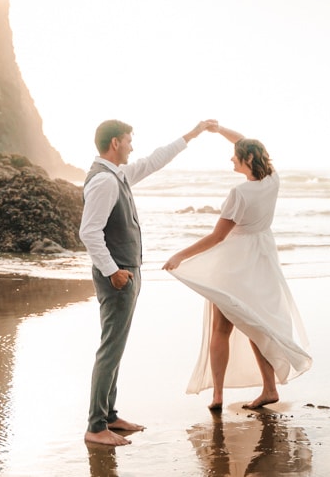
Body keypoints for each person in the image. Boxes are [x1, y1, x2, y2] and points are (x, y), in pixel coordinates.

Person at [80, 118, 215, 446]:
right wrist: (113, 271)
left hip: (124, 271)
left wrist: (193, 134)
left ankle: (109, 416)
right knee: (110, 348)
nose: (132, 146)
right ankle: (96, 426)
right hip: (118, 275)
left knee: (116, 346)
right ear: (115, 143)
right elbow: (89, 232)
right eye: (128, 140)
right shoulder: (105, 181)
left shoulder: (119, 174)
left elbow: (155, 159)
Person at [163, 122, 312, 411]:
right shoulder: (273, 180)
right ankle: (269, 389)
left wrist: (181, 255)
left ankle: (218, 395)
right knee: (257, 324)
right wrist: (220, 131)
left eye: (236, 156)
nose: (231, 158)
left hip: (234, 263)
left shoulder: (240, 193)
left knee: (222, 329)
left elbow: (218, 237)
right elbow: (245, 140)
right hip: (263, 258)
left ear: (249, 160)